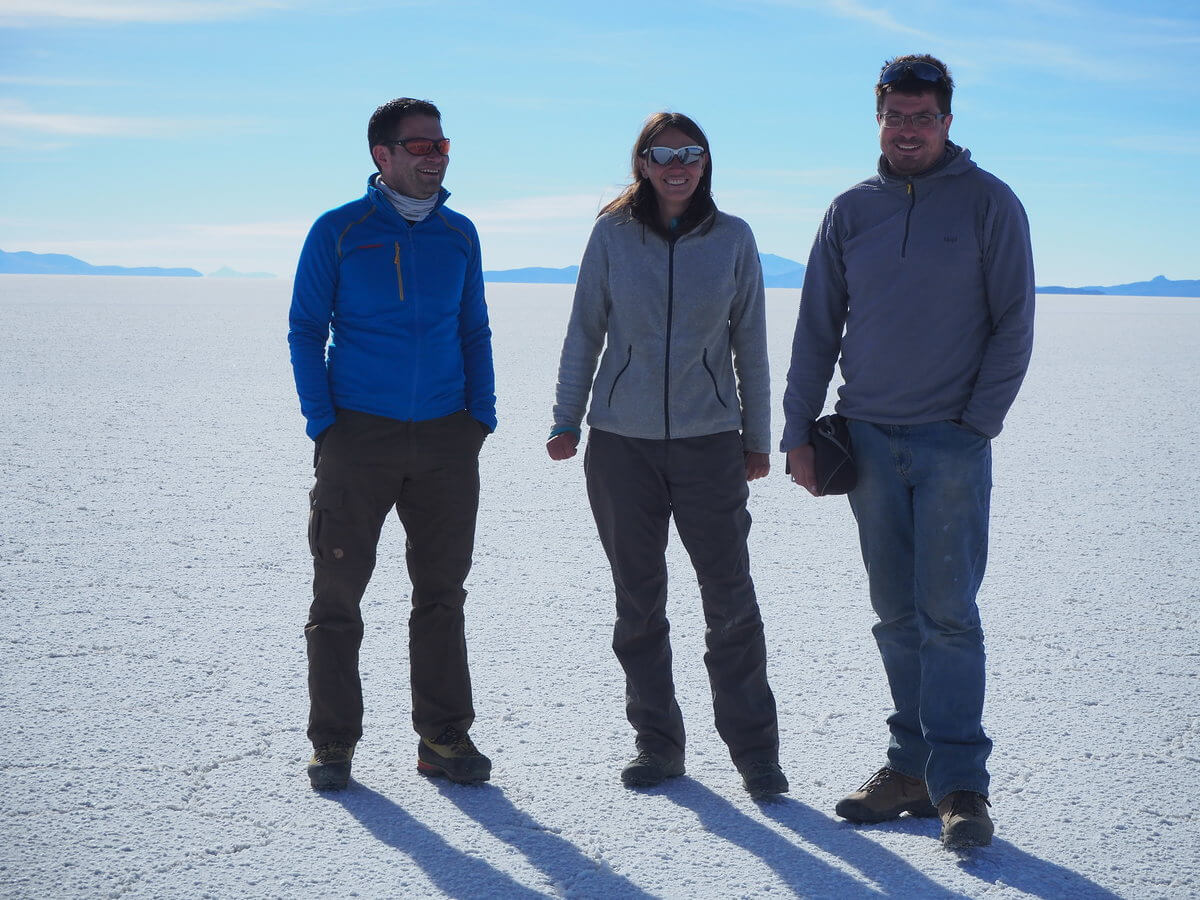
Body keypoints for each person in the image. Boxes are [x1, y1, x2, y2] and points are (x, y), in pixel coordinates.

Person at [781, 55, 1035, 848]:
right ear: (879, 118)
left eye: (923, 117)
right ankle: (910, 770)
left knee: (949, 617)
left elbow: (1014, 323)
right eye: (896, 116)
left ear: (948, 122)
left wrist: (976, 424)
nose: (908, 130)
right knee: (895, 616)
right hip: (867, 438)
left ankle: (960, 784)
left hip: (951, 444)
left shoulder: (990, 203)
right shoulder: (851, 210)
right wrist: (798, 429)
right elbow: (818, 325)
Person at [548, 112, 787, 798]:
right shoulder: (612, 236)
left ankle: (756, 755)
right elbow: (583, 330)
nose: (677, 165)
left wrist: (755, 439)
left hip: (710, 443)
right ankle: (658, 744)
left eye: (691, 153)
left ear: (706, 163)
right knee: (639, 602)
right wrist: (567, 420)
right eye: (663, 154)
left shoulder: (733, 239)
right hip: (622, 446)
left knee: (730, 599)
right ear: (643, 164)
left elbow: (752, 347)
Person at [288, 97, 496, 791]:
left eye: (441, 145)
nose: (434, 156)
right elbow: (304, 329)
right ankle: (333, 743)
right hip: (359, 438)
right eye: (419, 146)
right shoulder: (340, 231)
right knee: (338, 597)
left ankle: (443, 737)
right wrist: (325, 424)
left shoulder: (459, 235)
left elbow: (474, 332)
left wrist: (479, 418)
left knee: (442, 594)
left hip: (445, 439)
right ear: (382, 156)